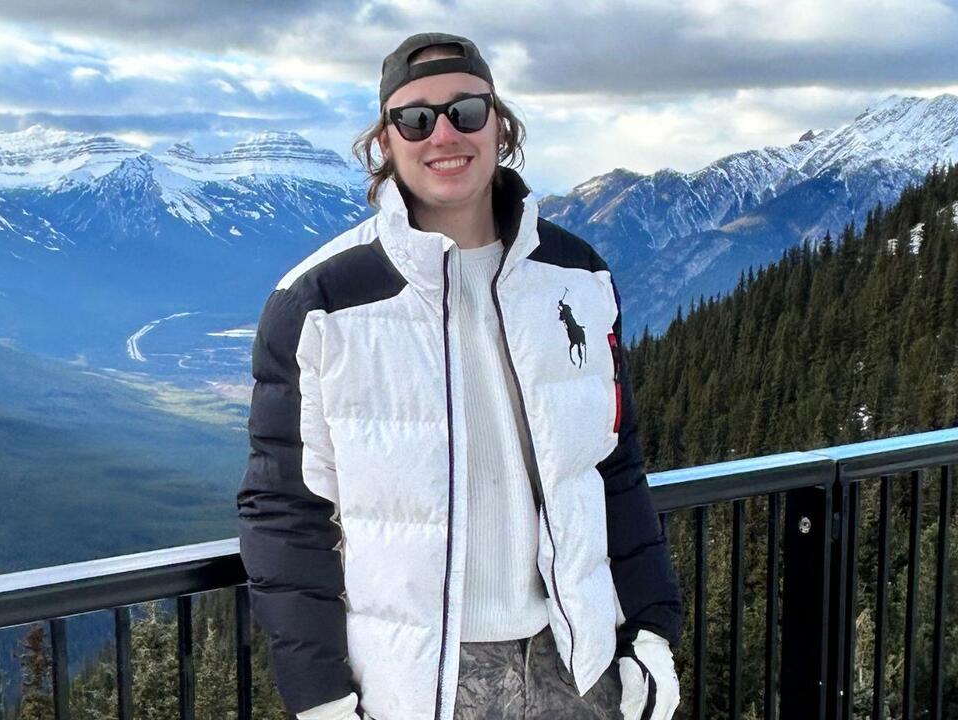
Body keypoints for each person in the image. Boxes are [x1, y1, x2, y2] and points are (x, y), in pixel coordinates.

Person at [237, 32, 683, 720]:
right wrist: (319, 693)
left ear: (500, 125)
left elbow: (613, 465)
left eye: (466, 111)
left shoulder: (579, 277)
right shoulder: (319, 302)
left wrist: (652, 624)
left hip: (578, 661)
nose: (443, 133)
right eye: (414, 118)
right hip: (424, 685)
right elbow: (286, 513)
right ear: (385, 142)